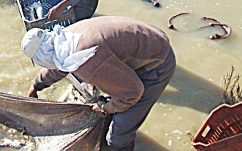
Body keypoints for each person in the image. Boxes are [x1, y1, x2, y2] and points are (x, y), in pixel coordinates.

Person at [21, 16, 176, 151]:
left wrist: (105, 108)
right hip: (149, 39)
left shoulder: (86, 62)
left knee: (118, 136)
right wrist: (36, 86)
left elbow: (133, 93)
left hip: (157, 64)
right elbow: (59, 66)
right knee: (116, 97)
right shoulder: (65, 38)